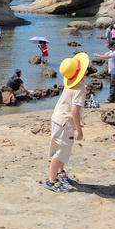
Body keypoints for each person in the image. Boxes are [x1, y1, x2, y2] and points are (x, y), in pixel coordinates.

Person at [45, 52, 89, 193]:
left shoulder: (72, 85)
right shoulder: (80, 89)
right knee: (60, 151)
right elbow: (75, 111)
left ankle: (60, 172)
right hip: (65, 122)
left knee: (64, 148)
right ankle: (51, 181)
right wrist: (79, 129)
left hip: (57, 118)